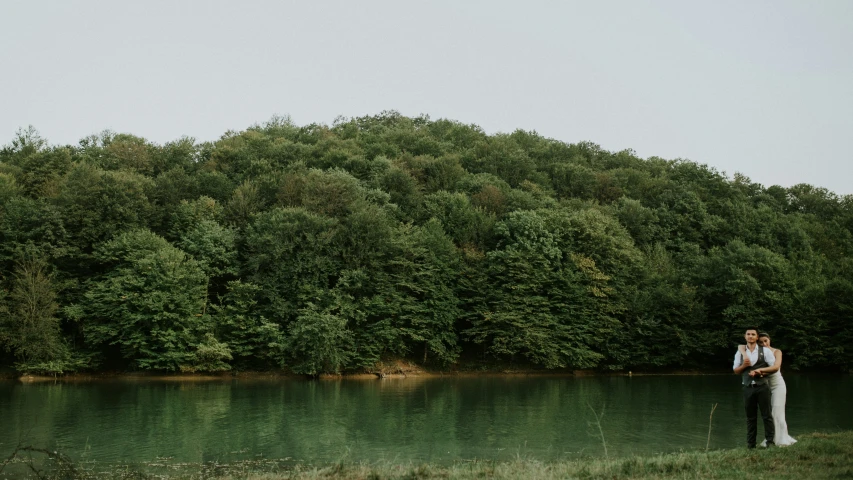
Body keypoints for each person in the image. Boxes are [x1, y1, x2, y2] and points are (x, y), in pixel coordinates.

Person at [733, 326, 775, 448]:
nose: (750, 336)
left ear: (757, 337)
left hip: (762, 386)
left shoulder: (765, 351)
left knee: (767, 415)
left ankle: (770, 442)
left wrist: (760, 372)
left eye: (753, 334)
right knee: (750, 417)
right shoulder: (740, 352)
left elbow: (773, 368)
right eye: (748, 334)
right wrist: (744, 366)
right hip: (747, 387)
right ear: (745, 336)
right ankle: (751, 445)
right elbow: (736, 371)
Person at [753, 333, 797, 446]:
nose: (764, 344)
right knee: (768, 414)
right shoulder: (759, 355)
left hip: (778, 386)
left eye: (765, 341)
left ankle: (780, 440)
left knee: (777, 412)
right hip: (765, 387)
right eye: (761, 342)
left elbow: (776, 367)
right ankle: (771, 438)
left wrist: (760, 371)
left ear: (769, 340)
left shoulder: (777, 352)